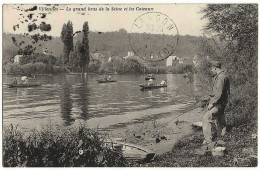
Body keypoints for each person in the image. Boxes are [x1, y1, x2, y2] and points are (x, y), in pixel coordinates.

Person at [202, 61, 230, 145]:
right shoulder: (221, 76)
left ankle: (208, 140)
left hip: (219, 103)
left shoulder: (220, 77)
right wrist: (208, 99)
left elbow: (219, 93)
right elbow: (220, 92)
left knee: (206, 118)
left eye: (211, 69)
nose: (211, 71)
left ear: (215, 68)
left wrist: (212, 103)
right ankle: (222, 135)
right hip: (222, 102)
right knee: (219, 118)